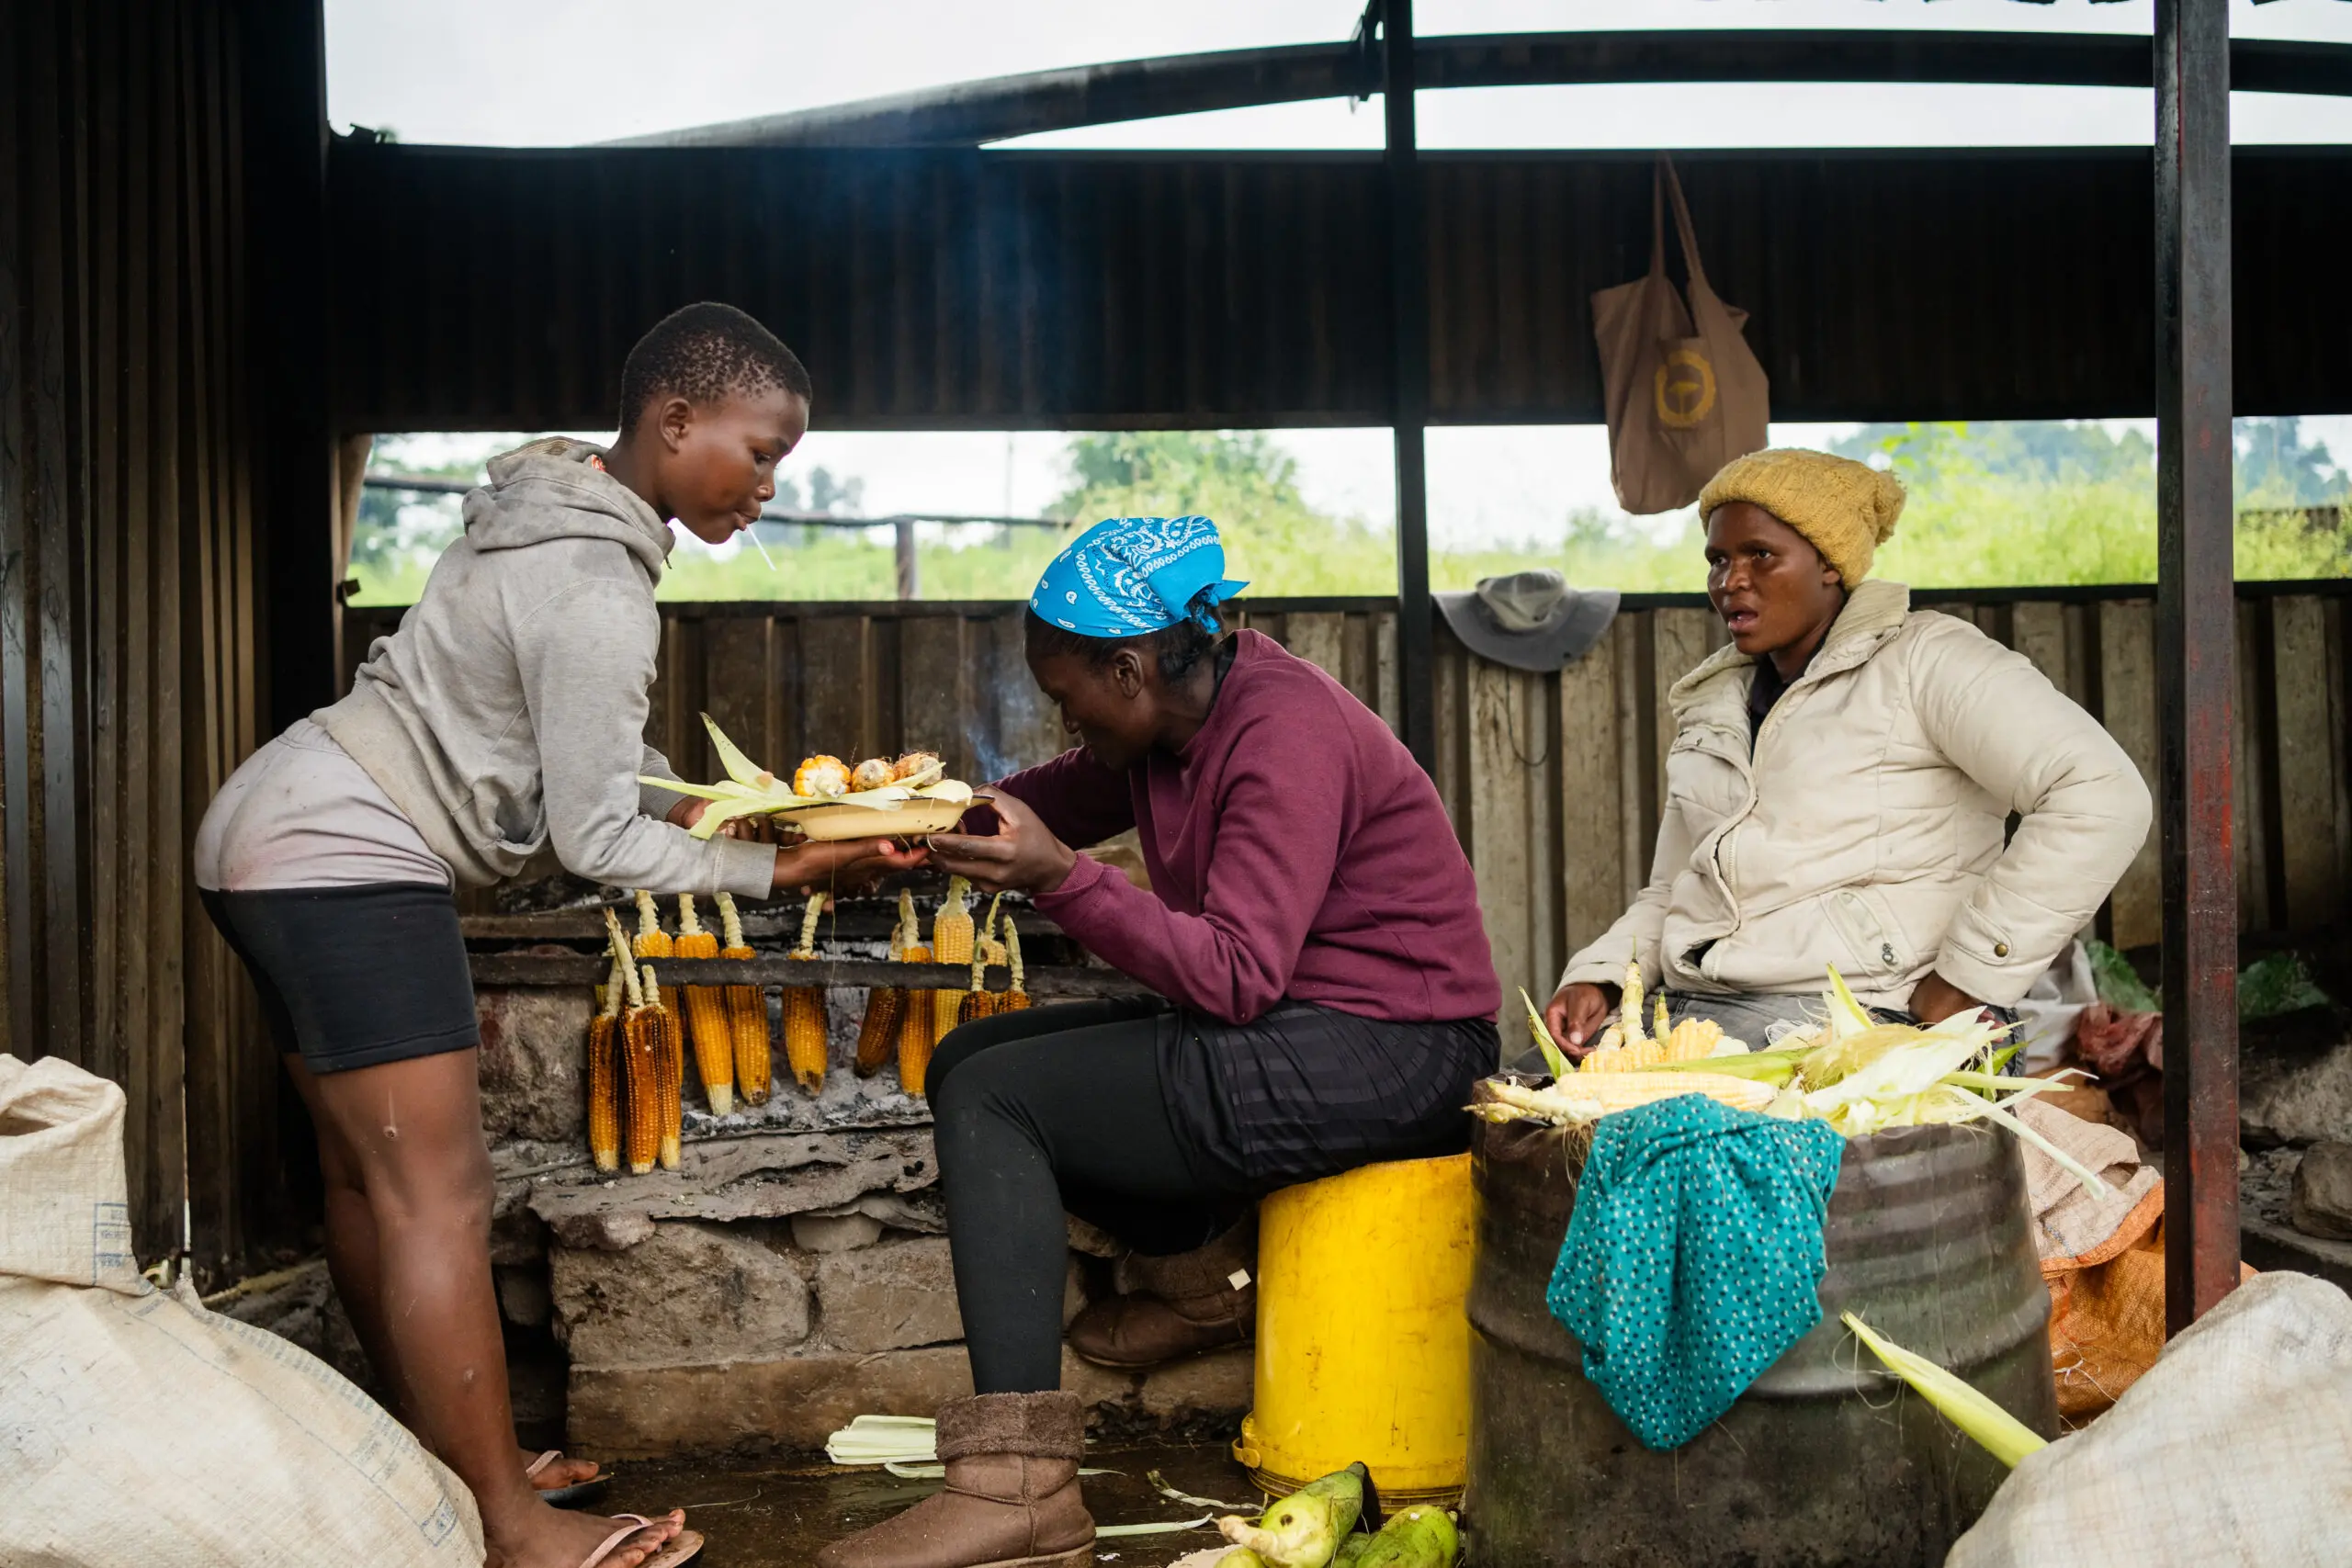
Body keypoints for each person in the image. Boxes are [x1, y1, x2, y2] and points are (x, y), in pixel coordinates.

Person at [194, 302, 913, 1568]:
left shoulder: (544, 508)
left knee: (371, 1179)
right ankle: (512, 1525)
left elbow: (564, 744)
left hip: (278, 825)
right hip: (343, 857)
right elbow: (601, 846)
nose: (768, 485)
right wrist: (786, 860)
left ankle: (447, 1457)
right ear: (674, 419)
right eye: (759, 450)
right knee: (441, 1190)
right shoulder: (594, 584)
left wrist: (697, 795)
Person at [815, 515, 1500, 1568]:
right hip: (1303, 1027)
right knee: (967, 1062)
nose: (1063, 720)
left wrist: (1062, 879)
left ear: (1130, 668)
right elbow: (1051, 799)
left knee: (999, 1102)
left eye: (1066, 697)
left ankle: (1019, 1488)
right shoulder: (1167, 724)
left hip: (1394, 1049)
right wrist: (920, 828)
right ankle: (1205, 1284)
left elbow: (1232, 974)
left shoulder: (1283, 738)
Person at [1542, 447, 2153, 1060]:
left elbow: (2101, 794)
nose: (1731, 581)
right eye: (1719, 559)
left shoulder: (1928, 661)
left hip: (1867, 1014)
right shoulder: (1712, 704)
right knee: (1526, 1097)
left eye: (1761, 554)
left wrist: (1968, 979)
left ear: (1830, 564)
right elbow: (1677, 888)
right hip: (1705, 1007)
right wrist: (1601, 972)